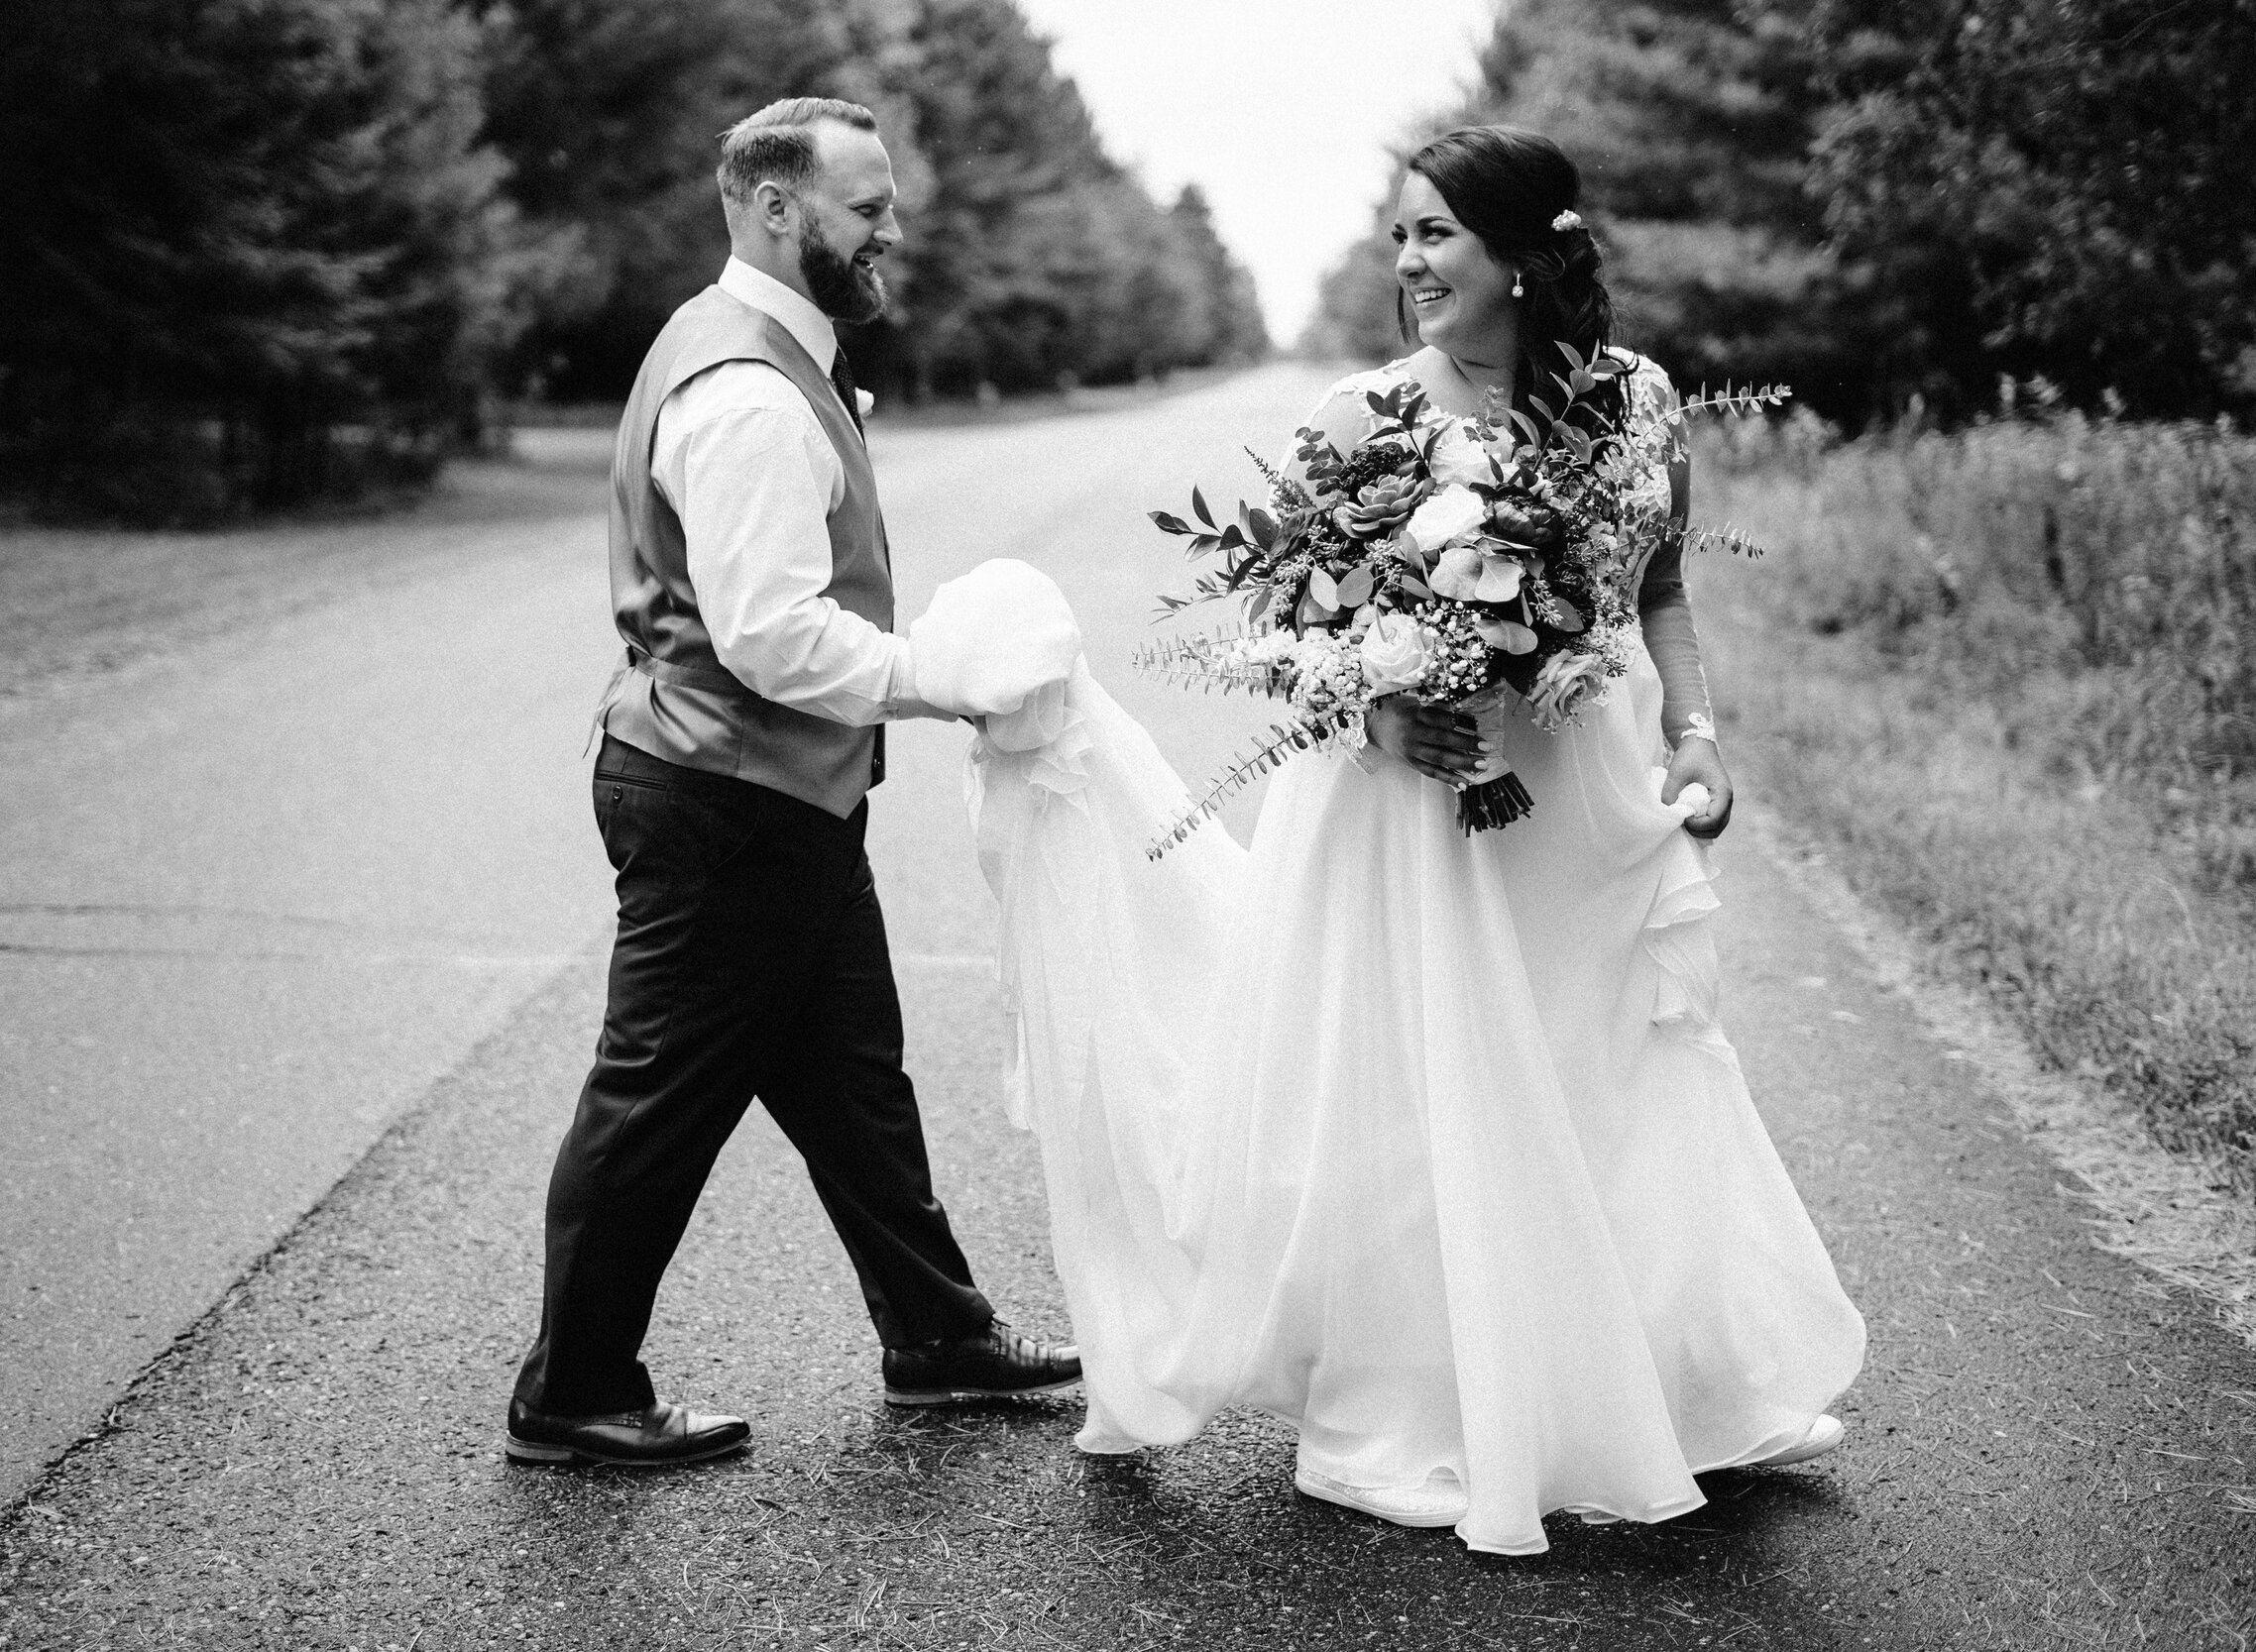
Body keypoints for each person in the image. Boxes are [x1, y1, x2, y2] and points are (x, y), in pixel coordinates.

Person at [920, 125, 1865, 1553]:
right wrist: (1374, 721)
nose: (1409, 261)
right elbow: (1270, 632)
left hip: (1591, 791)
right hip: (1425, 804)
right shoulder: (1365, 416)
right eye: (1401, 234)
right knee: (1445, 1087)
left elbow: (1659, 587)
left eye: (1437, 234)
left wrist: (1699, 738)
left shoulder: (1642, 401)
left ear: (1526, 257)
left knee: (1605, 1071)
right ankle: (1448, 1397)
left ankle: (1653, 1385)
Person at [507, 97, 1080, 1472]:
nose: (895, 227)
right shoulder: (750, 390)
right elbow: (765, 631)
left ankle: (938, 1338)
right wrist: (941, 673)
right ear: (776, 210)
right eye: (866, 205)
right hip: (724, 797)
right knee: (652, 1101)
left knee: (850, 1076)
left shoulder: (765, 353)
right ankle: (573, 1388)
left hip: (776, 798)